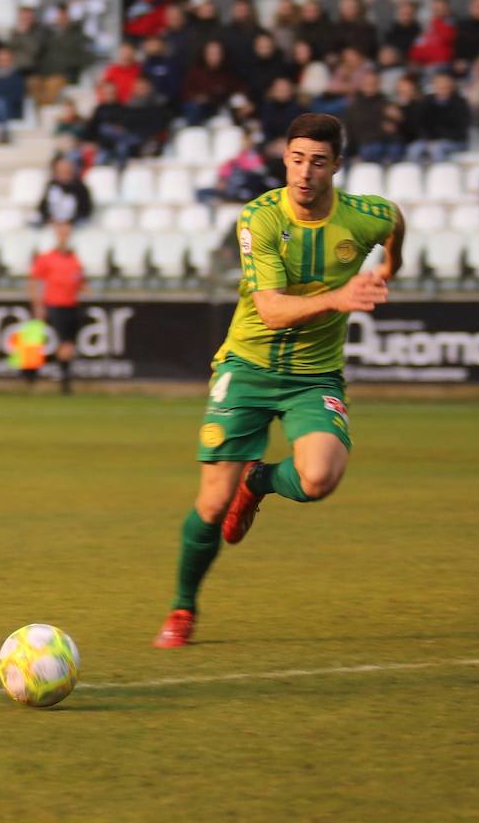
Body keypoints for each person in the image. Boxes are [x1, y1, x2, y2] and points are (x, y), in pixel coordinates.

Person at [153, 113, 405, 648]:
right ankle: (182, 607)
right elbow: (269, 310)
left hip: (314, 376)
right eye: (296, 160)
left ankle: (258, 482)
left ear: (336, 165)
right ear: (284, 158)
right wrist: (342, 297)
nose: (305, 173)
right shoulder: (260, 217)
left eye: (318, 162)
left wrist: (389, 270)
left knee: (319, 479)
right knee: (210, 506)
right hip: (247, 366)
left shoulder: (367, 217)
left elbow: (394, 227)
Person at [29, 221, 86, 394]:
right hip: (55, 305)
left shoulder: (75, 259)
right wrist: (38, 305)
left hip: (72, 305)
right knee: (64, 344)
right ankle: (64, 380)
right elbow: (35, 282)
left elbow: (81, 282)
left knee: (67, 345)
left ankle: (57, 374)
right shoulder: (46, 258)